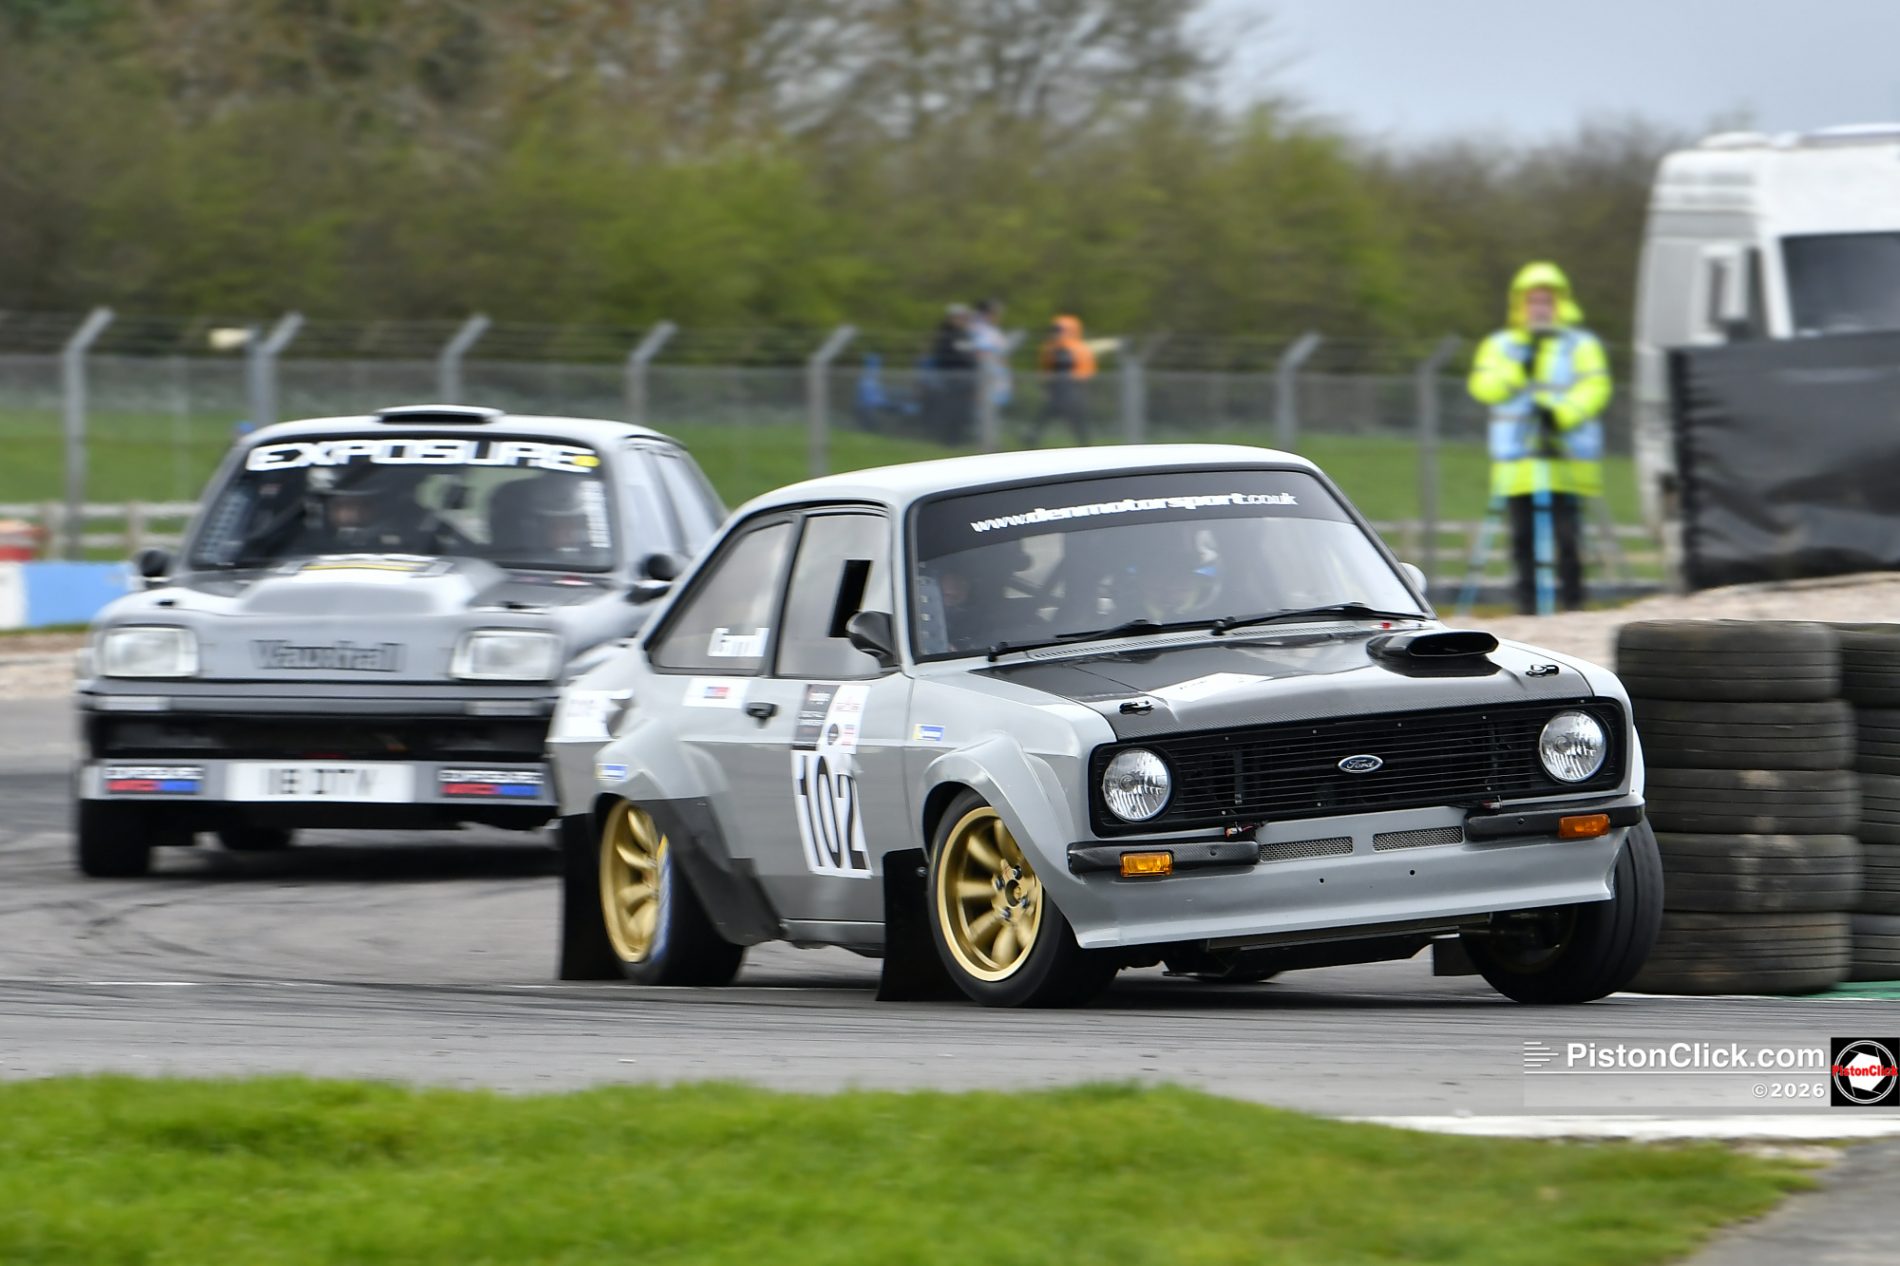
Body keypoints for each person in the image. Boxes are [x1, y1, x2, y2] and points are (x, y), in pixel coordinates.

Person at [1467, 261, 1612, 614]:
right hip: (1518, 461)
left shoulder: (1580, 344)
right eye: (1533, 301)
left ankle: (1573, 602)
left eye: (1547, 301)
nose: (1540, 308)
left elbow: (1597, 386)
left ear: (1560, 303)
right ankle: (1527, 605)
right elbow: (1482, 386)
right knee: (1522, 538)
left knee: (1567, 536)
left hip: (1567, 456)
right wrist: (1519, 371)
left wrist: (1561, 414)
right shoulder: (1501, 346)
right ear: (1520, 304)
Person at [1028, 314, 1097, 446]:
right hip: (1056, 392)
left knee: (1076, 420)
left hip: (1072, 392)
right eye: (1054, 331)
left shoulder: (1078, 349)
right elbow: (1046, 370)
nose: (1055, 334)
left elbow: (1086, 371)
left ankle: (1085, 444)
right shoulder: (1051, 348)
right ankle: (1032, 438)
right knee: (1045, 416)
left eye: (1059, 331)